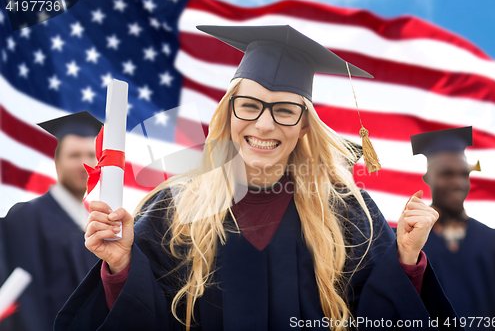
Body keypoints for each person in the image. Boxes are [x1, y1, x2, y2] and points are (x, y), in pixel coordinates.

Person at [55, 25, 461, 330]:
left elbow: (380, 315)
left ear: (304, 126)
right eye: (249, 106)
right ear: (228, 113)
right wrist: (122, 266)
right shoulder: (174, 209)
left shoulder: (349, 213)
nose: (264, 125)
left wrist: (406, 260)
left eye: (284, 110)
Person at [0, 111, 101, 331]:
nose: (84, 164)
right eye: (74, 155)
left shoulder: (94, 221)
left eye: (90, 155)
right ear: (57, 162)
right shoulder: (28, 215)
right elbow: (27, 303)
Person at [412, 126, 495, 330]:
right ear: (427, 178)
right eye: (447, 174)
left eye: (463, 174)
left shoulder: (494, 241)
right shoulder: (410, 244)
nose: (458, 182)